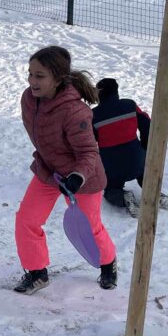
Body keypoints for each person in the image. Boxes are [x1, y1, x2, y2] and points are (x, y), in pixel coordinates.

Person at [14, 46, 118, 293]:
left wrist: (76, 176)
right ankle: (37, 273)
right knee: (27, 220)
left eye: (40, 76)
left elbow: (88, 152)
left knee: (90, 228)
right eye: (30, 74)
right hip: (49, 172)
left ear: (58, 78)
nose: (32, 81)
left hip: (82, 178)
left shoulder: (75, 112)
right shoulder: (29, 99)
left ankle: (108, 264)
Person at [92, 77, 168, 217]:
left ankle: (123, 197)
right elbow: (147, 125)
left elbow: (88, 141)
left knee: (110, 189)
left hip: (112, 166)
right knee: (144, 175)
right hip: (136, 159)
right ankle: (155, 194)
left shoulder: (93, 115)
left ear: (99, 93)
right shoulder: (130, 105)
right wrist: (144, 149)